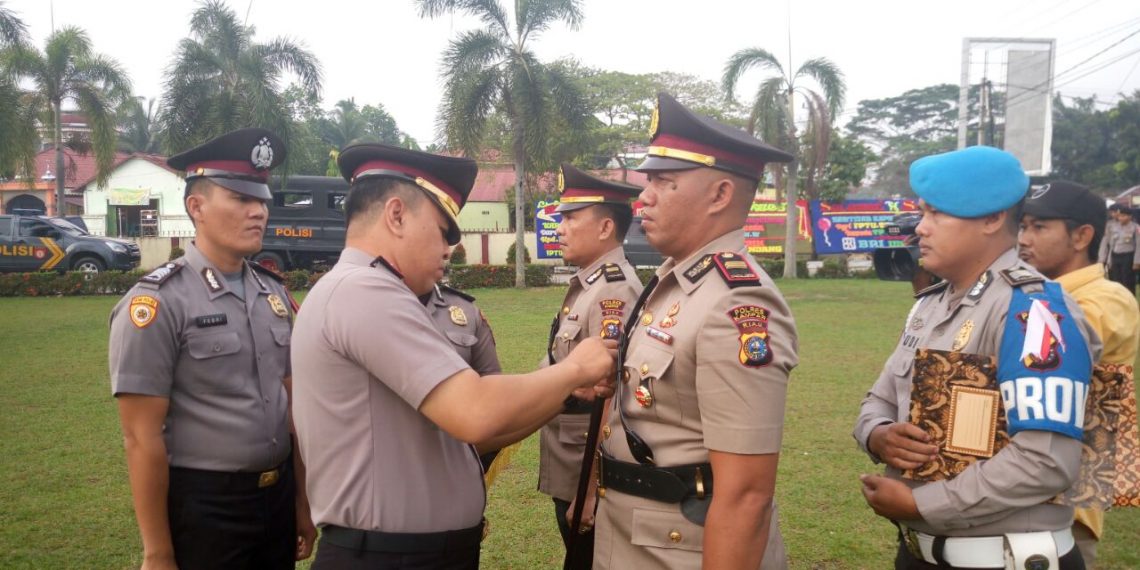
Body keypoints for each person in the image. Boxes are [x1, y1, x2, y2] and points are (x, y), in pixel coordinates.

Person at [290, 143, 617, 569]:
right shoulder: (364, 291)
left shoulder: (368, 291)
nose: (448, 248)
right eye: (444, 231)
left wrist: (566, 389)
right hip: (387, 556)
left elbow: (475, 437)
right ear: (396, 215)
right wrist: (576, 368)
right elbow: (476, 411)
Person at [854, 146, 1102, 570]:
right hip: (923, 552)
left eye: (937, 214)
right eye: (922, 213)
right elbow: (878, 399)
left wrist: (923, 503)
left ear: (992, 219)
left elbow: (1046, 461)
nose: (920, 229)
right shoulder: (930, 304)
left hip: (1007, 558)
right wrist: (879, 435)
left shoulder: (1034, 311)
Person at [593, 92, 798, 570]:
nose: (643, 197)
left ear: (720, 195)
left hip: (682, 545)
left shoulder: (737, 300)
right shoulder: (678, 281)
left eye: (664, 182)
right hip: (637, 534)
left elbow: (746, 495)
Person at [108, 128, 316, 570]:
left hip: (276, 497)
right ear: (196, 207)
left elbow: (292, 408)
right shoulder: (158, 303)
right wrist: (158, 552)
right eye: (241, 199)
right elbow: (140, 437)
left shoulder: (272, 294)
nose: (258, 211)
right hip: (205, 508)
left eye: (261, 200)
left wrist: (301, 500)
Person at [1018, 180, 1140, 569]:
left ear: (1082, 235)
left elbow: (1037, 363)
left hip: (1067, 502)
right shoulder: (1037, 292)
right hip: (1019, 490)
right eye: (1022, 226)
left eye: (1039, 227)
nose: (1023, 239)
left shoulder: (1106, 299)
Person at [538, 163, 643, 568]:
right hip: (570, 454)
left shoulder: (613, 287)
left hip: (587, 465)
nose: (559, 228)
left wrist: (593, 487)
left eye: (569, 218)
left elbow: (613, 394)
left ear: (604, 228)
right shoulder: (590, 282)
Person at [420, 281, 504, 470]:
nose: (445, 253)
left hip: (454, 460)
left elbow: (491, 387)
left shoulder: (464, 310)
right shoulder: (370, 301)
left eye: (446, 248)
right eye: (438, 247)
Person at [1098, 203, 1140, 294]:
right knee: (1116, 280)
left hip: (1128, 256)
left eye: (1123, 216)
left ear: (1129, 216)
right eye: (1120, 216)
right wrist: (1106, 259)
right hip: (1115, 255)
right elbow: (1109, 244)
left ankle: (1130, 300)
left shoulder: (1135, 227)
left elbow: (1138, 245)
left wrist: (1137, 261)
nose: (1120, 218)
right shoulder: (1112, 226)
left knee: (1127, 280)